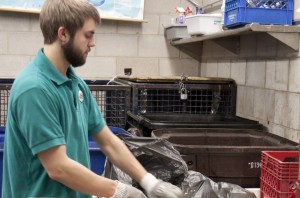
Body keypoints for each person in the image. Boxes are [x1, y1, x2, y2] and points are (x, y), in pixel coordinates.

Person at [1, 0, 184, 197]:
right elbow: (58, 167)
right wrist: (118, 191)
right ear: (63, 34)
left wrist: (150, 183)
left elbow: (107, 141)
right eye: (88, 35)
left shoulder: (75, 84)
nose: (93, 43)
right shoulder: (34, 88)